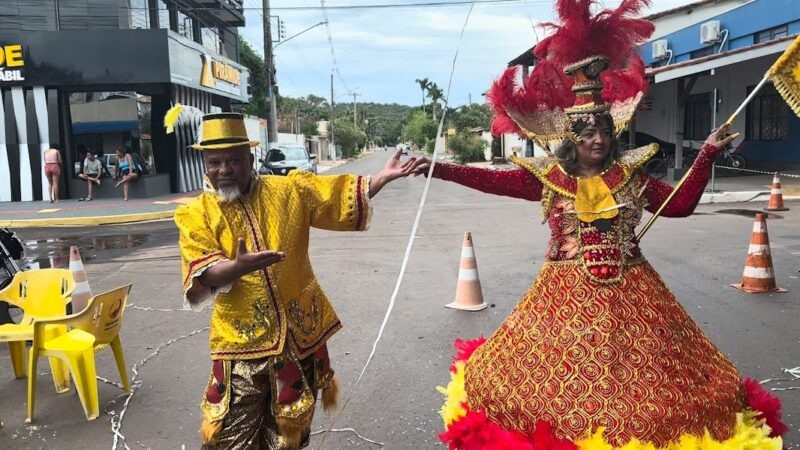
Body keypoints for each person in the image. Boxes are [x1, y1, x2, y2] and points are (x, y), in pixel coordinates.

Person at [412, 1, 787, 448]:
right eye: (588, 132)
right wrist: (439, 168)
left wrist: (705, 155)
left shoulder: (631, 176)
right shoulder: (551, 178)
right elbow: (490, 180)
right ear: (572, 138)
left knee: (657, 399)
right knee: (537, 394)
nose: (597, 139)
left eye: (605, 131)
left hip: (637, 296)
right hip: (560, 302)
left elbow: (680, 206)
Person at [171, 112, 416, 449]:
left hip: (299, 337)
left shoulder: (289, 190)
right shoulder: (196, 213)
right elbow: (203, 271)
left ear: (250, 158)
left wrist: (379, 180)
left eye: (233, 160)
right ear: (205, 162)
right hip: (240, 346)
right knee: (230, 438)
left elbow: (332, 199)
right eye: (215, 162)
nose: (223, 170)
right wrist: (237, 267)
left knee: (289, 437)